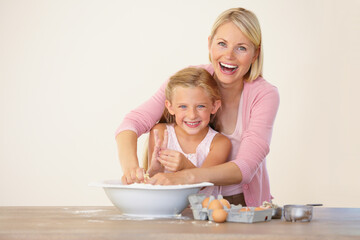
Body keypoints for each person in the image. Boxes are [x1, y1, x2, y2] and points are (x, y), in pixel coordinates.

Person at [115, 7, 280, 207]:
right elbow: (131, 123)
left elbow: (244, 169)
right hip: (184, 199)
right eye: (222, 44)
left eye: (241, 48)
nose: (229, 55)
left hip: (241, 203)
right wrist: (131, 167)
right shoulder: (190, 82)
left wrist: (184, 176)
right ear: (210, 44)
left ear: (255, 54)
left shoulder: (264, 95)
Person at [145, 67, 231, 196]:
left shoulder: (219, 143)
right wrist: (153, 171)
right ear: (170, 107)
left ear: (214, 106)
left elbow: (204, 183)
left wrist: (185, 165)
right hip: (167, 212)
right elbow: (153, 184)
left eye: (200, 106)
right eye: (183, 106)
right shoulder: (161, 133)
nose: (192, 115)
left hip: (202, 213)